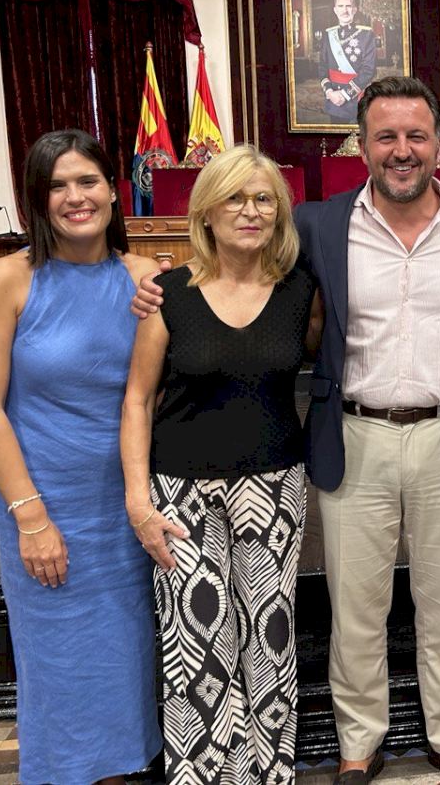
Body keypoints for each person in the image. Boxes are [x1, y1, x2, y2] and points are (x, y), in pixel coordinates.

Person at [131, 77, 440, 785]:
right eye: (386, 137)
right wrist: (154, 278)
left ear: (438, 143)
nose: (402, 151)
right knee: (357, 607)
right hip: (355, 435)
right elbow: (242, 267)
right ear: (363, 145)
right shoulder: (318, 225)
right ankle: (358, 745)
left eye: (416, 136)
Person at [0, 129, 163, 784]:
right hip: (45, 505)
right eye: (57, 186)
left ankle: (122, 771)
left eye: (88, 181)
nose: (76, 197)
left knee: (128, 656)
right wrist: (30, 517)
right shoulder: (4, 280)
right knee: (64, 661)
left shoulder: (145, 278)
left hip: (129, 503)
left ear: (114, 191)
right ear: (36, 200)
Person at [121, 144, 322, 783]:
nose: (250, 210)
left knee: (270, 640)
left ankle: (270, 773)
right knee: (198, 647)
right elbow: (138, 399)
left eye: (263, 199)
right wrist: (138, 502)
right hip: (181, 494)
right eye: (235, 198)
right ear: (206, 211)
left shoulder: (300, 290)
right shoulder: (168, 294)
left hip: (274, 488)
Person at [321, 0, 378, 123]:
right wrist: (329, 92)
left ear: (355, 9)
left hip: (357, 98)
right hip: (334, 99)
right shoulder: (328, 34)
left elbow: (369, 70)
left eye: (348, 6)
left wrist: (345, 94)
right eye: (340, 6)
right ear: (335, 10)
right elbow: (322, 66)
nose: (344, 10)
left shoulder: (366, 34)